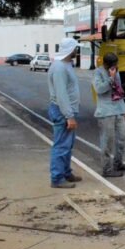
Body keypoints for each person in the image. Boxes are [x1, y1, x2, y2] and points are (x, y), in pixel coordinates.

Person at [47, 38, 82, 188]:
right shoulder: (60, 68)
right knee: (61, 146)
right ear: (70, 50)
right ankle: (57, 178)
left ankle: (66, 172)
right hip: (63, 112)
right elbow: (61, 95)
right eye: (75, 48)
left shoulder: (66, 64)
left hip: (67, 110)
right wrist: (69, 116)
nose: (77, 51)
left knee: (67, 145)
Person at [93, 53, 125, 178]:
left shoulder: (116, 72)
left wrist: (124, 108)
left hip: (118, 109)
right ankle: (107, 169)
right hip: (106, 111)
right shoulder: (98, 73)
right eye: (112, 65)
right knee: (107, 141)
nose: (115, 67)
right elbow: (99, 89)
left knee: (122, 138)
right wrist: (110, 78)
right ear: (106, 64)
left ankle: (118, 163)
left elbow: (119, 90)